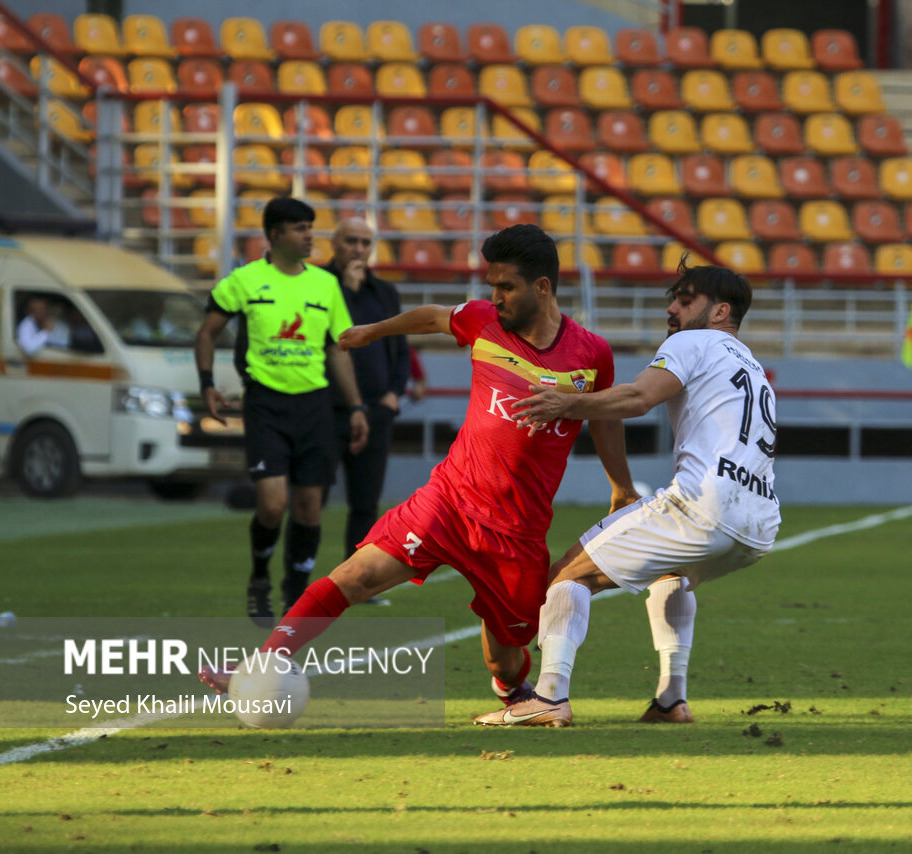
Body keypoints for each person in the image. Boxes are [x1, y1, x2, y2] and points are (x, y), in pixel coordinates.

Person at [198, 224, 639, 710]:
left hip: (517, 531)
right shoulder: (482, 321)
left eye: (506, 287)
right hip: (449, 500)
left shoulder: (590, 354)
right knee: (356, 576)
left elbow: (606, 417)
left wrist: (620, 486)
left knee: (507, 658)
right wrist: (373, 331)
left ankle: (512, 689)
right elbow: (434, 317)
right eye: (492, 286)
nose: (496, 298)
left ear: (542, 287)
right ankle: (261, 663)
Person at [474, 259, 781, 728]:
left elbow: (638, 398)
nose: (672, 309)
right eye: (672, 300)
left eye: (685, 299)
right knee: (669, 576)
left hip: (704, 507)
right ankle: (670, 698)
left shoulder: (690, 342)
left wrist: (568, 402)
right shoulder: (753, 367)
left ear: (720, 311)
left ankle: (551, 697)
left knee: (566, 577)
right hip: (758, 524)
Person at [194, 196, 369, 628]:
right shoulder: (245, 281)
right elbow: (207, 332)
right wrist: (207, 384)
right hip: (265, 404)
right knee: (272, 505)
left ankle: (296, 592)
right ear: (274, 235)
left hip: (315, 407)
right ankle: (259, 578)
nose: (310, 235)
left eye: (311, 227)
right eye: (299, 228)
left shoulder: (325, 286)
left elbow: (337, 349)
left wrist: (356, 406)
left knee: (310, 508)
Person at [322, 217, 411, 563]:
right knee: (312, 497)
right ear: (335, 243)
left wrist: (394, 393)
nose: (359, 249)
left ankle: (353, 580)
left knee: (366, 501)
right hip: (327, 408)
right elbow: (335, 336)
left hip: (377, 410)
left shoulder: (386, 292)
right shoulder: (319, 285)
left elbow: (400, 348)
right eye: (351, 241)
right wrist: (346, 290)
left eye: (365, 243)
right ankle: (300, 583)